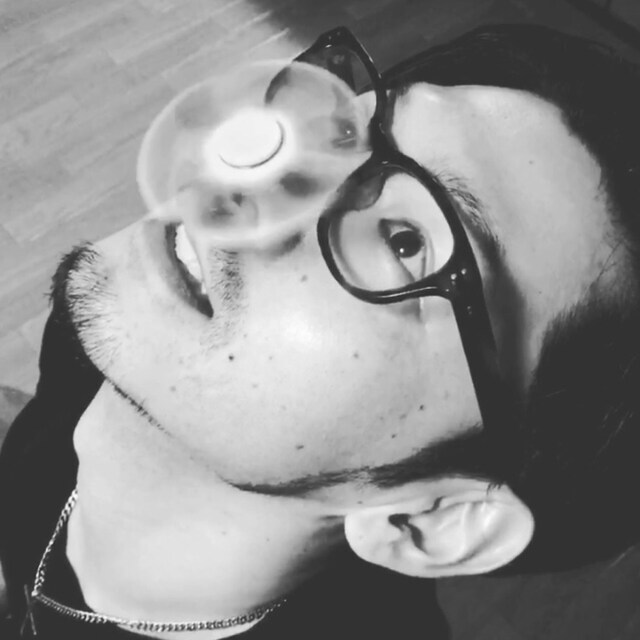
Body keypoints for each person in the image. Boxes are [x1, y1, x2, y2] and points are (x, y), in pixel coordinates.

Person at [1, 22, 640, 640]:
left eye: (404, 240)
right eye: (342, 131)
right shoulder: (115, 342)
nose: (259, 172)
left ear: (439, 520)